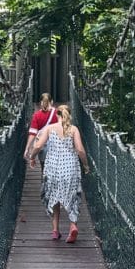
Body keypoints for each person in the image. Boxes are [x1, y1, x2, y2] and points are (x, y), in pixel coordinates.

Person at [26, 104, 89, 243]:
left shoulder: (49, 128)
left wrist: (32, 157)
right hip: (70, 168)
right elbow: (80, 150)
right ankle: (73, 225)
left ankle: (55, 231)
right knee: (72, 197)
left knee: (54, 197)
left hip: (53, 168)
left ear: (57, 115)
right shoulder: (73, 129)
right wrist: (85, 165)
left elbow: (38, 145)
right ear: (69, 114)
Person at [24, 93, 58, 169]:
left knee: (44, 168)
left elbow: (32, 134)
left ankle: (45, 179)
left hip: (43, 146)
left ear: (40, 102)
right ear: (51, 102)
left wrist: (27, 148)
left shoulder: (37, 115)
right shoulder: (57, 113)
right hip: (56, 146)